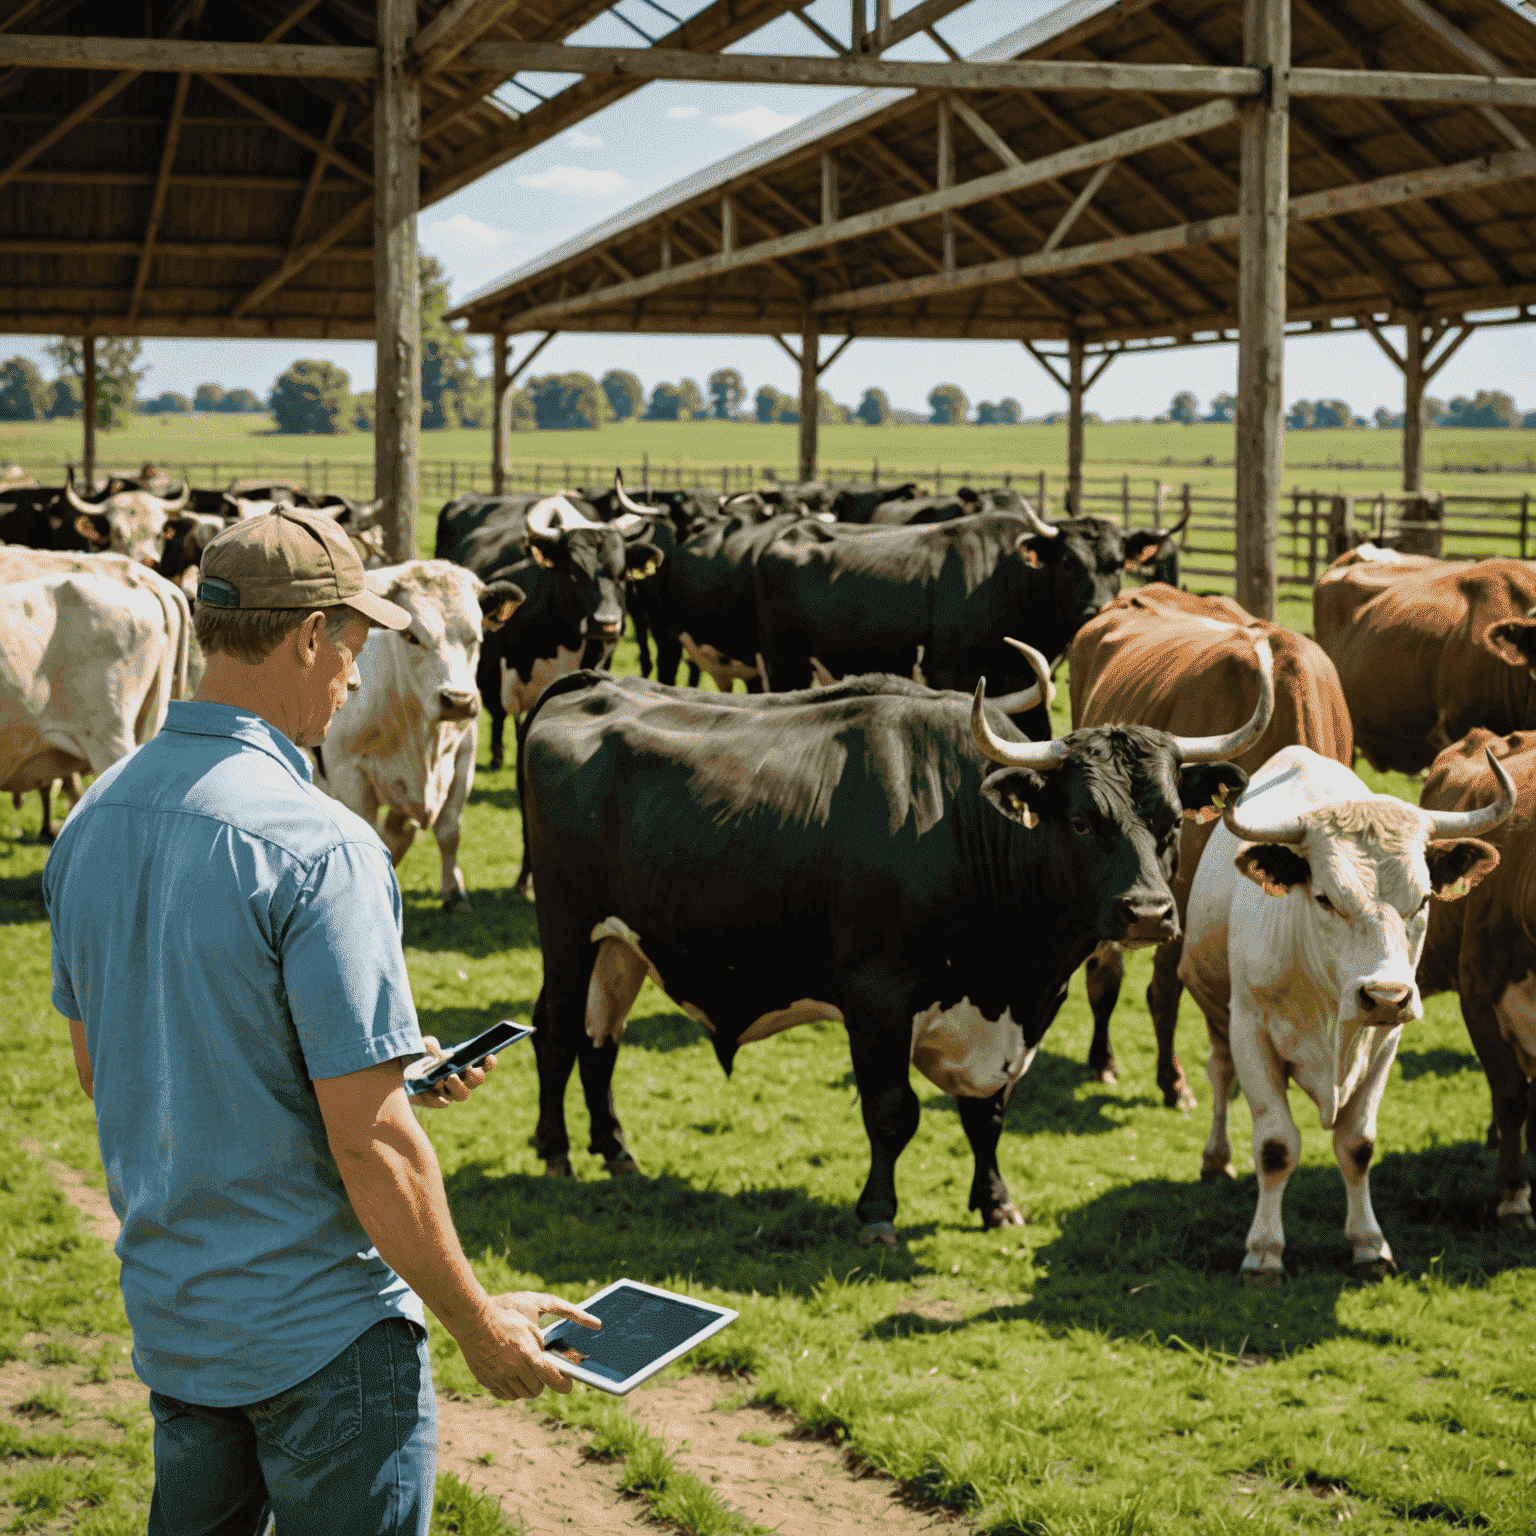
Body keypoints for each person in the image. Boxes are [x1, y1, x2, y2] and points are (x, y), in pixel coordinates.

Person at [42, 505, 598, 1535]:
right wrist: (478, 1322)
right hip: (324, 1340)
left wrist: (370, 1066)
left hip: (179, 1319)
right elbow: (372, 1137)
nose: (353, 675)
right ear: (307, 636)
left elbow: (105, 1065)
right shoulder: (321, 845)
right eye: (355, 644)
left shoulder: (92, 817)